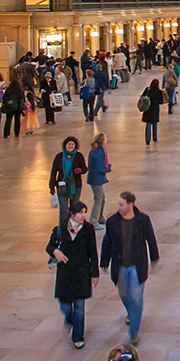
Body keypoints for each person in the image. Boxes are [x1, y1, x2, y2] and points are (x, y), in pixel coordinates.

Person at [99, 192, 160, 347]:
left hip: (136, 265)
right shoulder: (112, 221)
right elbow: (107, 242)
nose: (119, 207)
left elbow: (150, 238)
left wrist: (154, 257)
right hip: (120, 265)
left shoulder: (142, 220)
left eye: (121, 204)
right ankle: (131, 312)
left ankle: (133, 332)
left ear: (131, 204)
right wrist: (104, 261)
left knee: (136, 298)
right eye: (118, 204)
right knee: (124, 294)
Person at [47, 200, 99, 349]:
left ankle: (78, 336)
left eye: (84, 213)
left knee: (80, 307)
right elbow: (49, 246)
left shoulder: (88, 229)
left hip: (82, 273)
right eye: (80, 213)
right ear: (72, 214)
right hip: (65, 273)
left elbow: (93, 252)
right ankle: (69, 319)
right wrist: (56, 252)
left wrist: (94, 273)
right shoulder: (60, 229)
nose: (83, 216)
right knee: (65, 306)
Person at [49, 136, 88, 235]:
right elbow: (54, 171)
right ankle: (63, 228)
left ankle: (74, 224)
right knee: (63, 209)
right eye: (69, 144)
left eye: (72, 144)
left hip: (76, 186)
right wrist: (52, 186)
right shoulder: (59, 157)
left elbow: (85, 168)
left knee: (75, 207)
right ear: (65, 145)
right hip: (62, 186)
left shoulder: (79, 156)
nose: (70, 146)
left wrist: (80, 170)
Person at [87, 133, 111, 228]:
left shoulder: (94, 150)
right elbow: (101, 167)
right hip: (96, 178)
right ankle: (94, 221)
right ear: (103, 140)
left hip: (94, 177)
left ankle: (100, 218)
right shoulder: (100, 152)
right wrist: (109, 168)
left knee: (102, 199)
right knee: (98, 199)